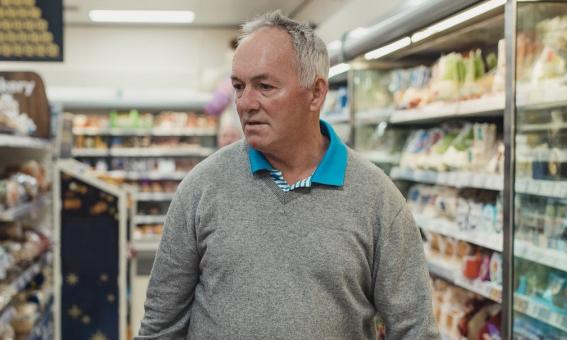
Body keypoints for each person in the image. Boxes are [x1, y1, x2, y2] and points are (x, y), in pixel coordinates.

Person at [136, 10, 438, 340]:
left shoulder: (376, 199)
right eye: (238, 86)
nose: (245, 103)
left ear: (316, 93)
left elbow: (414, 329)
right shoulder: (202, 187)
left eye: (265, 86)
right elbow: (160, 325)